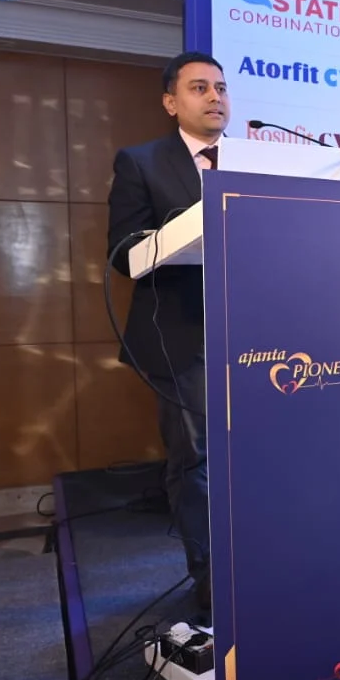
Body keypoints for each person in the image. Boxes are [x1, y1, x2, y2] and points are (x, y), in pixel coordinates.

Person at [106, 51, 229, 614]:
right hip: (179, 335)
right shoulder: (142, 162)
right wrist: (180, 234)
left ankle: (263, 558)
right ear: (171, 102)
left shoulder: (249, 163)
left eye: (220, 87)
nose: (215, 97)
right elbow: (121, 252)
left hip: (253, 333)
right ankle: (210, 576)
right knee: (196, 457)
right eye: (199, 88)